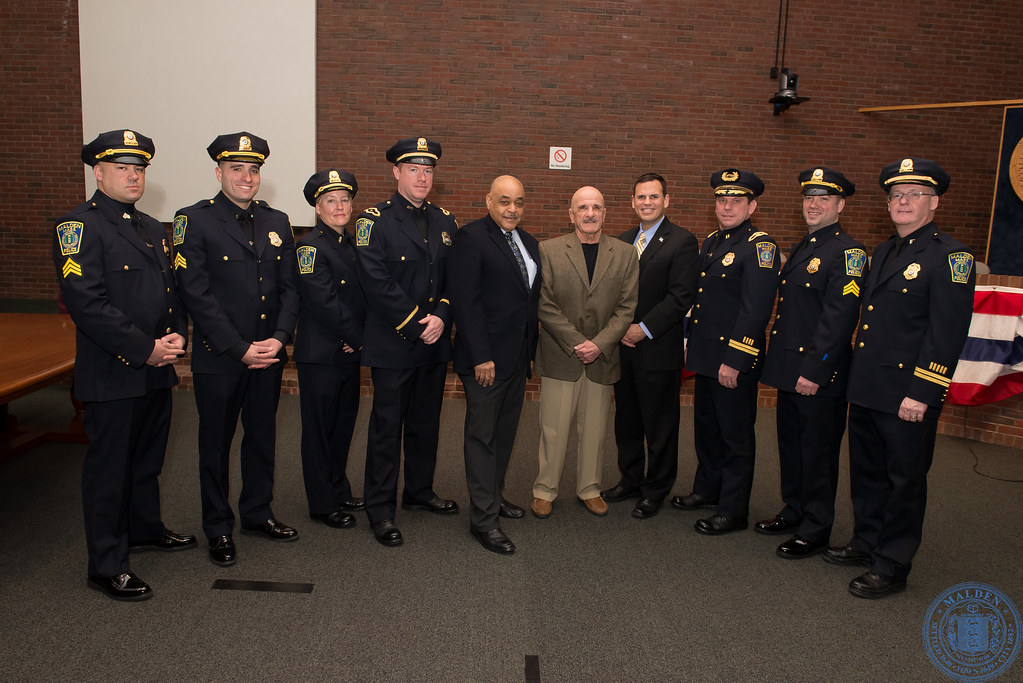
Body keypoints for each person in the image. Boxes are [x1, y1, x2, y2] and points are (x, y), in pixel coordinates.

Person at [54, 129, 195, 601]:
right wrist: (144, 347)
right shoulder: (79, 227)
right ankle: (106, 564)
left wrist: (177, 336)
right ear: (99, 173)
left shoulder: (154, 229)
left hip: (155, 369)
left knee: (146, 461)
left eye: (139, 169)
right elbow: (87, 304)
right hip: (115, 371)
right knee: (110, 471)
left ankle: (144, 528)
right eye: (122, 168)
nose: (134, 176)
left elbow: (170, 294)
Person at [827, 158, 975, 598]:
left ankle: (892, 563)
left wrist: (923, 391)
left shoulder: (951, 257)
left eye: (914, 195)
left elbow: (945, 333)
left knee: (905, 480)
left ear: (934, 203)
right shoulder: (884, 251)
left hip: (908, 394)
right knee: (868, 472)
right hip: (870, 386)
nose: (903, 202)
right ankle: (866, 541)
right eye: (896, 195)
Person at [174, 132, 300, 566]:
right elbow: (196, 294)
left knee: (262, 438)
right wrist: (238, 347)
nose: (247, 177)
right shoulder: (194, 220)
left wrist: (279, 339)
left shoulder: (278, 220)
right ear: (218, 172)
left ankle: (257, 512)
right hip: (222, 357)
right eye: (236, 169)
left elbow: (289, 289)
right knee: (216, 444)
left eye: (254, 169)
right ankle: (217, 526)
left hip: (267, 355)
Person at [354, 136, 459, 547]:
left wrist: (444, 316)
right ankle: (380, 508)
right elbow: (376, 283)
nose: (422, 177)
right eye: (413, 169)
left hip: (433, 343)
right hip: (396, 342)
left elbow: (455, 280)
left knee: (425, 424)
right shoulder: (372, 221)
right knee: (386, 428)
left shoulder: (446, 221)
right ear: (396, 172)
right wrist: (420, 323)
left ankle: (419, 491)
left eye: (428, 170)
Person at [758, 168, 867, 558]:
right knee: (791, 445)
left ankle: (816, 527)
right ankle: (795, 509)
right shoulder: (806, 246)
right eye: (809, 198)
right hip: (791, 371)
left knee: (818, 453)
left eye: (823, 199)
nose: (814, 205)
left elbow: (838, 320)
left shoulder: (848, 253)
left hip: (819, 375)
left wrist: (815, 371)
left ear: (840, 205)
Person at [671, 169, 779, 535]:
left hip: (733, 359)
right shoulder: (714, 241)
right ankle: (707, 489)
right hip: (706, 356)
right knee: (708, 430)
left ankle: (733, 509)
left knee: (735, 436)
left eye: (736, 201)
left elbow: (755, 311)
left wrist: (736, 359)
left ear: (752, 205)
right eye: (722, 200)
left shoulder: (761, 246)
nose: (727, 206)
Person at [531, 186, 638, 519]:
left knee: (595, 430)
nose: (590, 213)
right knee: (554, 427)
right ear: (571, 214)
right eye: (583, 207)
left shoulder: (624, 254)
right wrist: (578, 342)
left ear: (605, 213)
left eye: (596, 207)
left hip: (602, 358)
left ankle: (589, 488)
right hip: (561, 354)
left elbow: (626, 307)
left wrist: (600, 344)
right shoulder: (548, 250)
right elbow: (544, 305)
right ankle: (545, 490)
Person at [448, 175, 540, 554]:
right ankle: (484, 521)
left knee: (503, 435)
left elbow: (527, 303)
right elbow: (465, 302)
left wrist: (528, 353)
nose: (512, 209)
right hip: (485, 361)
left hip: (517, 359)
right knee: (482, 438)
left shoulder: (528, 242)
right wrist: (481, 355)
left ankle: (495, 497)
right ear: (488, 201)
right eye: (504, 201)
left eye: (518, 201)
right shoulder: (471, 238)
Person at [600, 173, 699, 519]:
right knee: (627, 421)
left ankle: (655, 488)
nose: (647, 203)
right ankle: (630, 479)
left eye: (654, 197)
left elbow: (681, 296)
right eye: (641, 197)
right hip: (622, 350)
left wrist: (643, 328)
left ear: (666, 200)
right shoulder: (622, 241)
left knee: (660, 425)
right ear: (632, 201)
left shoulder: (683, 241)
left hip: (657, 348)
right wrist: (618, 329)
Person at [294, 168, 367, 530]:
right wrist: (360, 338)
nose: (340, 206)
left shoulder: (351, 245)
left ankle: (338, 487)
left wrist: (356, 340)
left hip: (348, 352)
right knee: (319, 430)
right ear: (318, 208)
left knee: (342, 426)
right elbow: (324, 302)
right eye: (330, 201)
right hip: (321, 355)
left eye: (345, 199)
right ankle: (322, 503)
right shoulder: (309, 247)